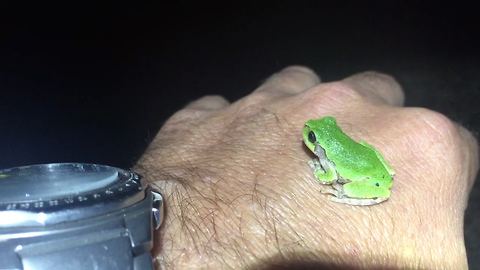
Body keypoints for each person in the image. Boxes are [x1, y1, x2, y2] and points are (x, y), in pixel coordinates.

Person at [134, 66, 478, 269]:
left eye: (312, 136)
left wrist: (327, 177)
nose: (308, 137)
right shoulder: (333, 136)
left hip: (367, 178)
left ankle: (355, 192)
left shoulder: (326, 155)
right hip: (377, 166)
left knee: (342, 180)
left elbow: (329, 170)